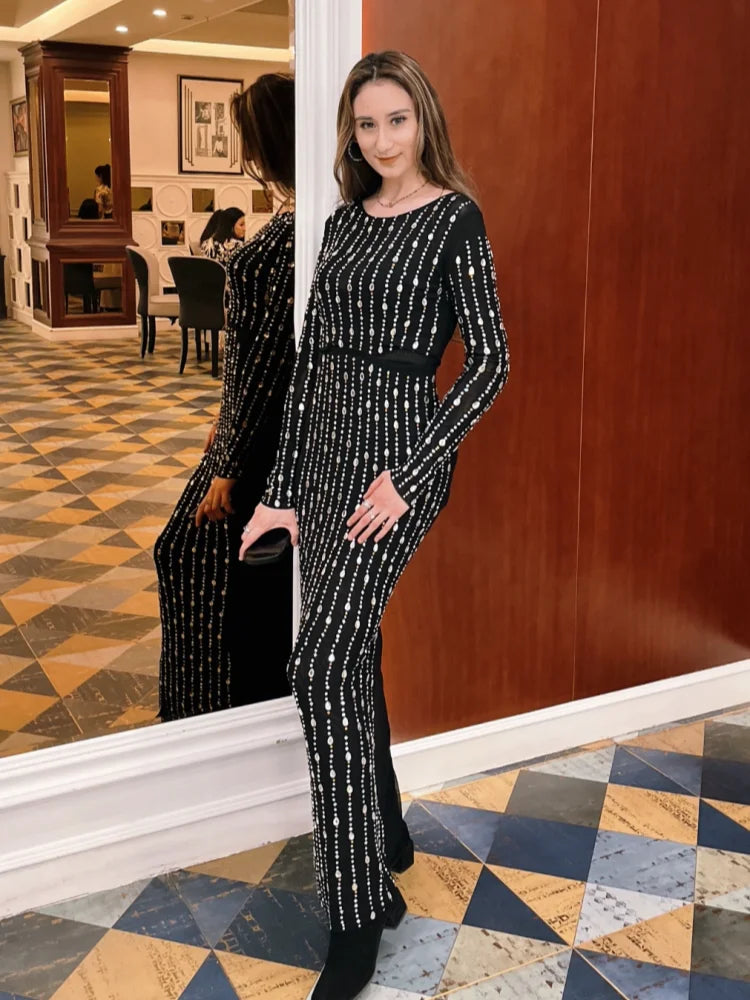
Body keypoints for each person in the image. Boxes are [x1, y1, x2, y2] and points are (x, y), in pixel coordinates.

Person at [239, 50, 510, 1000]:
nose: (383, 140)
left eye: (397, 120)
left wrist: (410, 474)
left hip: (395, 467)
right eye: (366, 124)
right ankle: (385, 833)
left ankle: (359, 911)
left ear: (423, 119)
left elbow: (491, 362)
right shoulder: (345, 224)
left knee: (319, 663)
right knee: (350, 650)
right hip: (323, 457)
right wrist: (280, 489)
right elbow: (311, 362)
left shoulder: (454, 218)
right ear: (350, 134)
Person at [154, 74, 296, 721]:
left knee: (190, 555)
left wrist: (228, 467)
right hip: (266, 433)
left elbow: (262, 365)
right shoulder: (313, 224)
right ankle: (221, 710)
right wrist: (223, 421)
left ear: (264, 147)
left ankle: (211, 714)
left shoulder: (285, 242)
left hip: (263, 446)